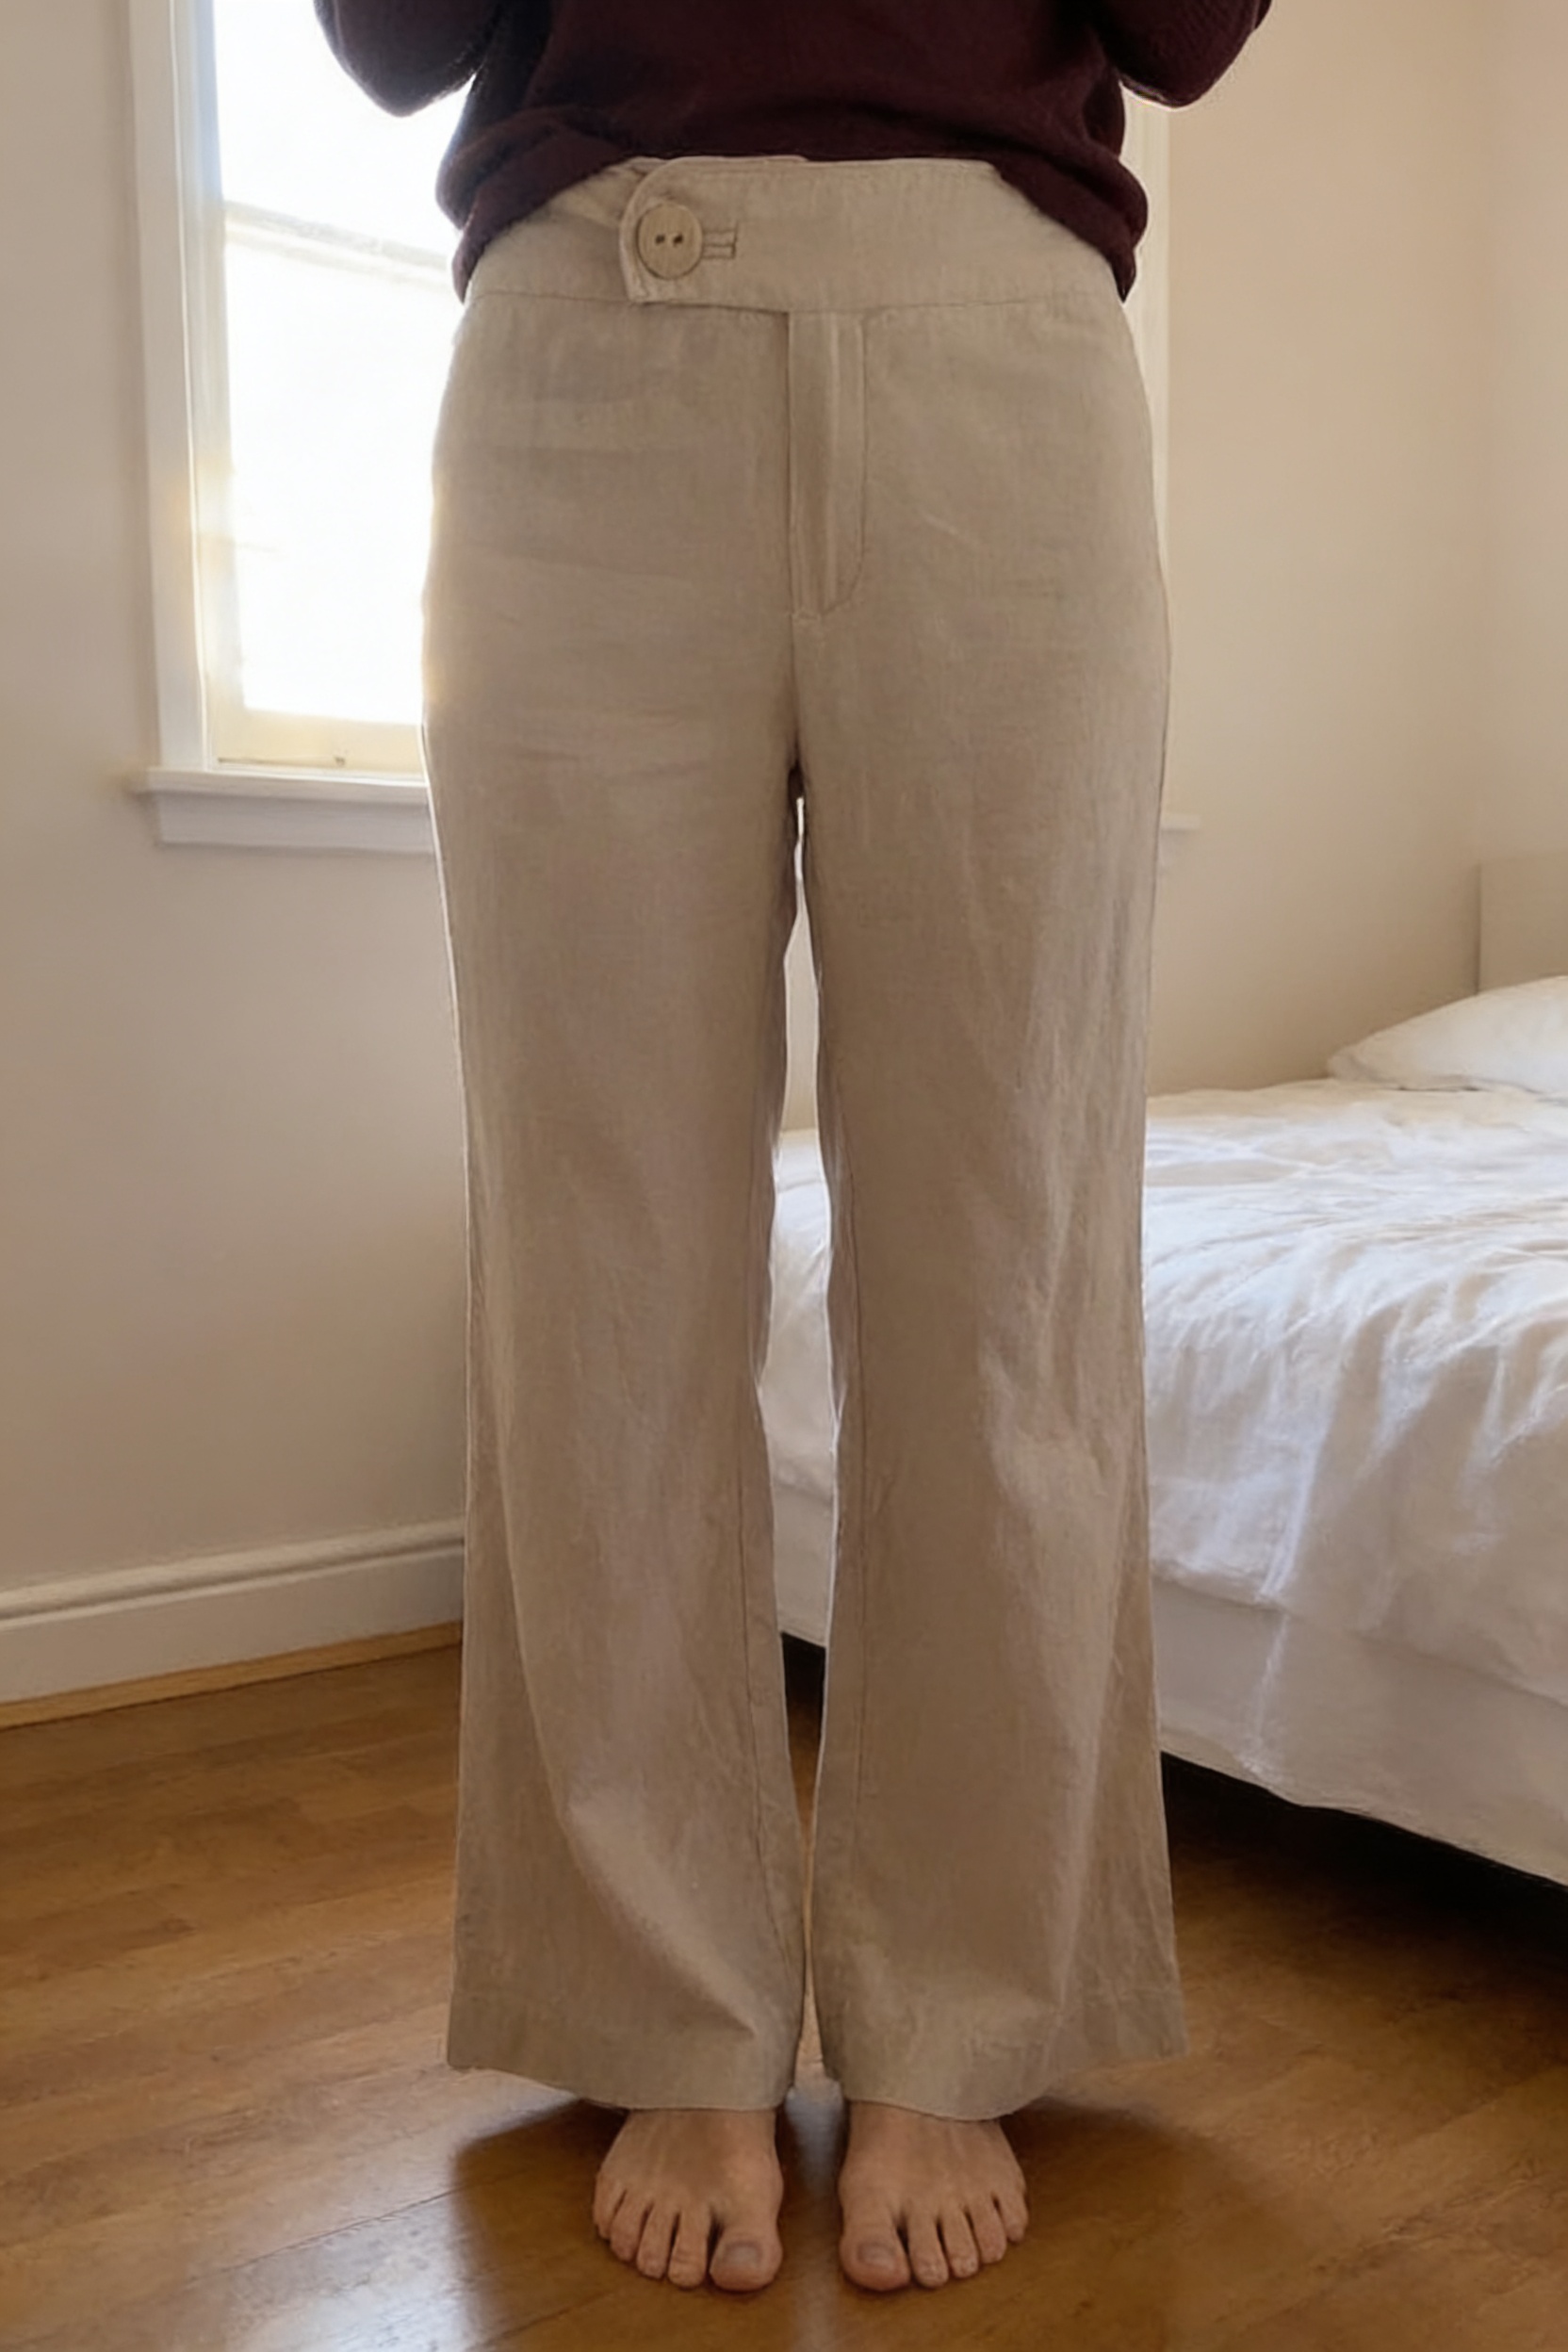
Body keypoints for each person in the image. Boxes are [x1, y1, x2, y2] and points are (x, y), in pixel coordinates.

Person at [317, 0, 1272, 2298]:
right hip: (580, 355)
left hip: (996, 345)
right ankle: (658, 1997)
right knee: (602, 1263)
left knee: (1002, 1251)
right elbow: (389, 38)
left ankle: (967, 1999)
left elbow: (1185, 33)